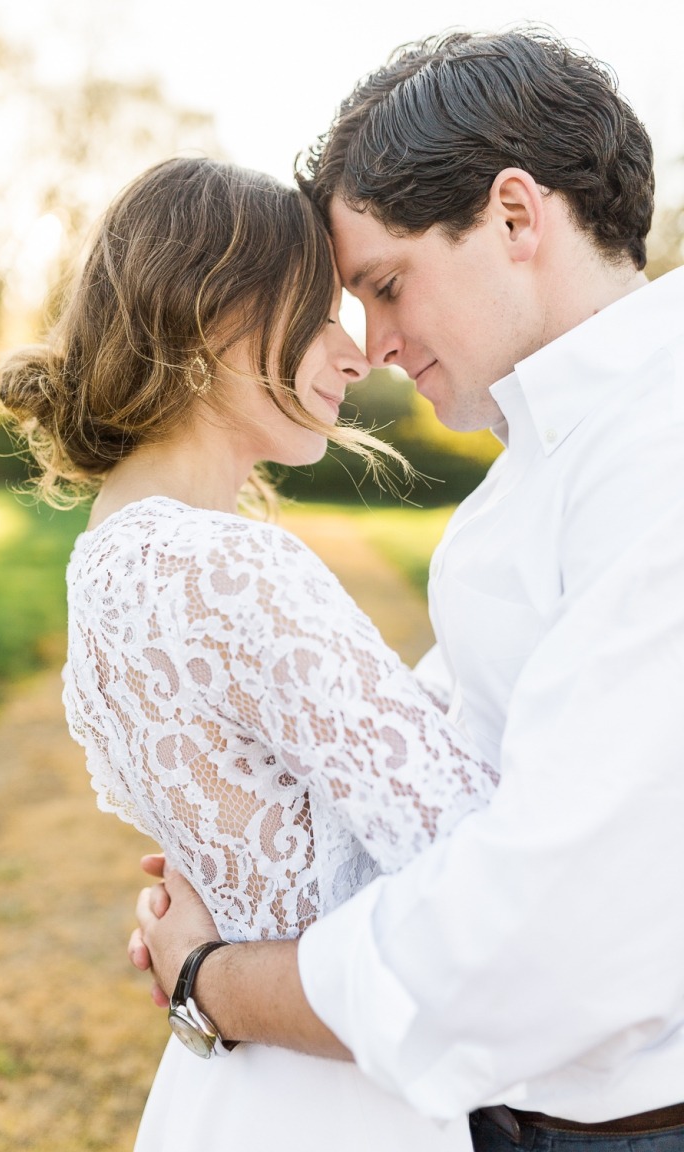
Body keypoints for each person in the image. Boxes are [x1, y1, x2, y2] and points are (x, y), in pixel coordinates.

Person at [130, 27, 684, 1152]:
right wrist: (249, 844)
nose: (372, 343)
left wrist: (216, 980)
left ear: (517, 217)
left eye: (385, 286)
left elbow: (541, 933)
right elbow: (434, 764)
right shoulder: (532, 480)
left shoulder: (658, 457)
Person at [0, 156, 503, 1152]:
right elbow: (470, 857)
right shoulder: (229, 568)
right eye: (319, 315)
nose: (355, 356)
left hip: (235, 1089)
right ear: (215, 315)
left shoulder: (106, 558)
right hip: (345, 1099)